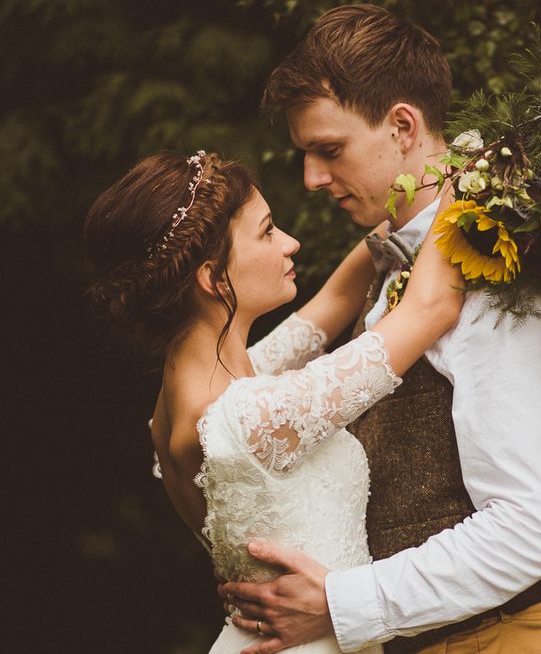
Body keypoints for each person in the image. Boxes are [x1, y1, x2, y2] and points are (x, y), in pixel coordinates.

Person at [219, 5, 541, 654]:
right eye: (306, 155)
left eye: (330, 151)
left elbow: (536, 524)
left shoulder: (502, 272)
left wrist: (345, 603)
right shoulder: (387, 262)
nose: (312, 179)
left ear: (404, 126)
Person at [83, 149, 463, 653]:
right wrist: (471, 183)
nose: (291, 242)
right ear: (214, 278)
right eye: (266, 232)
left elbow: (332, 302)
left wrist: (412, 205)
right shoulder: (252, 417)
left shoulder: (190, 401)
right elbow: (432, 306)